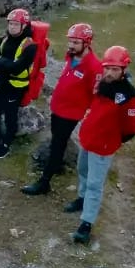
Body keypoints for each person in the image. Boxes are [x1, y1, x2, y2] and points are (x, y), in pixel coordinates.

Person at [66, 45, 135, 245]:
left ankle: (86, 224)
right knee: (82, 170)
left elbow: (131, 129)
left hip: (104, 146)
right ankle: (82, 199)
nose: (109, 72)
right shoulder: (102, 84)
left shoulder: (130, 97)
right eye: (107, 67)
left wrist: (112, 141)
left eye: (114, 69)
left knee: (94, 184)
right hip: (88, 139)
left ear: (124, 70)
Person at [23, 22, 103, 196]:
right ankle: (57, 164)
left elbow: (96, 96)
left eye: (76, 42)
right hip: (57, 109)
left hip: (71, 114)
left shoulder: (94, 67)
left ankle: (44, 182)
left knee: (57, 145)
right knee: (56, 141)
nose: (71, 46)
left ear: (87, 43)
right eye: (70, 41)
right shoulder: (71, 57)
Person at [0, 8, 37, 159]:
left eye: (15, 24)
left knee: (10, 117)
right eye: (10, 24)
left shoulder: (30, 46)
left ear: (24, 26)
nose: (12, 27)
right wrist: (6, 64)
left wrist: (1, 62)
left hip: (15, 88)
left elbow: (18, 67)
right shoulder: (3, 39)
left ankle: (6, 144)